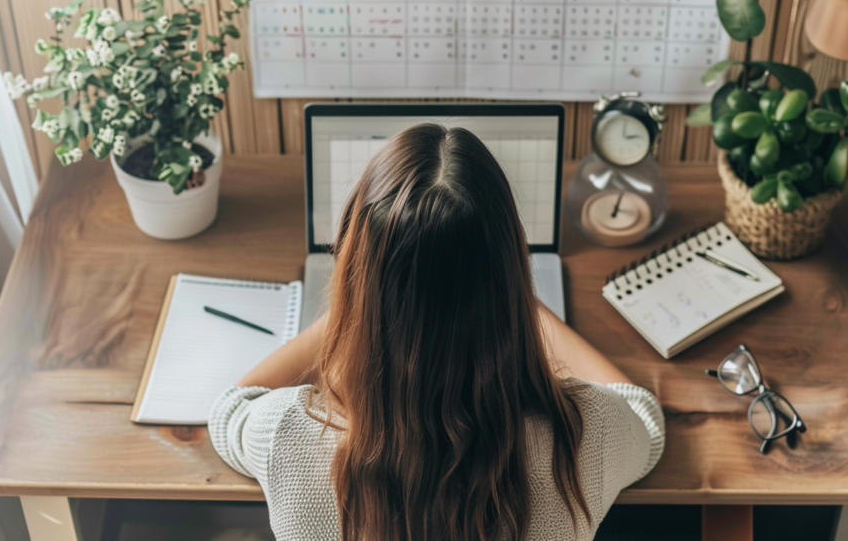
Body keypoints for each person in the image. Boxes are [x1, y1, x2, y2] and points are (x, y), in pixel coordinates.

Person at [209, 123, 664, 541]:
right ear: (508, 270)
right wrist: (523, 305)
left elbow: (229, 410)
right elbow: (646, 421)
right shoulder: (587, 434)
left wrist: (362, 303)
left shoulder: (286, 430)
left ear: (355, 268)